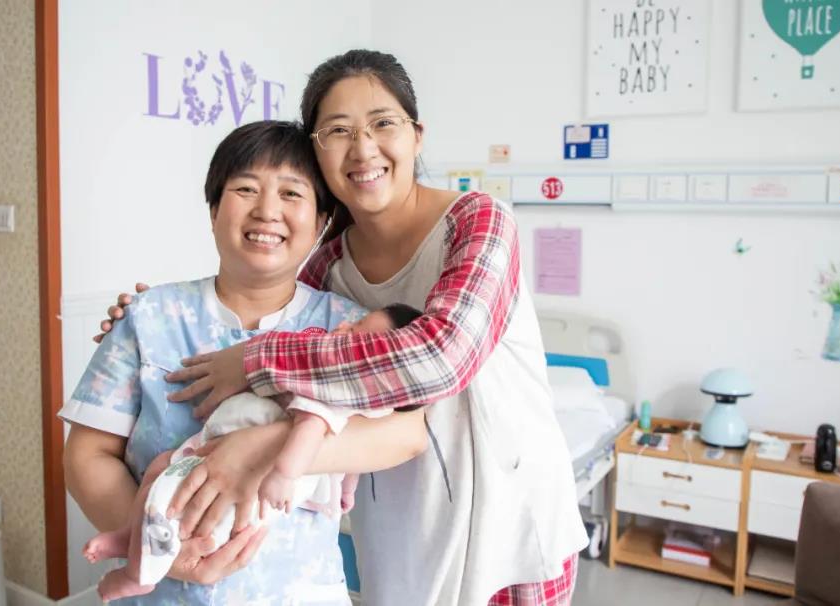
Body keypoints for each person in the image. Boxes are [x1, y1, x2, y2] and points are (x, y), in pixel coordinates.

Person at [102, 49, 587, 605]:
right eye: (337, 130)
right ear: (317, 151)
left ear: (417, 136)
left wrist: (257, 365)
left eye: (383, 123)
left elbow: (440, 359)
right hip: (406, 524)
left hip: (510, 521)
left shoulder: (478, 223)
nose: (363, 148)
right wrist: (148, 318)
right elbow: (262, 311)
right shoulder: (327, 269)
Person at [63, 120, 429, 605]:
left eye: (292, 193)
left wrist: (259, 448)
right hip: (162, 591)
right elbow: (87, 455)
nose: (267, 211)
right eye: (245, 189)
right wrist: (163, 553)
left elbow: (407, 435)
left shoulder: (349, 329)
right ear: (214, 209)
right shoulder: (149, 317)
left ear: (322, 221)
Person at [81, 305, 424, 602]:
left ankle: (137, 575)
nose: (345, 326)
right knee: (162, 479)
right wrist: (346, 489)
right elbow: (354, 458)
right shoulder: (146, 314)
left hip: (257, 479)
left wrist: (282, 474)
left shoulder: (335, 386)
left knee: (173, 504)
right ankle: (131, 536)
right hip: (220, 450)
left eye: (356, 332)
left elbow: (312, 427)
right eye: (355, 323)